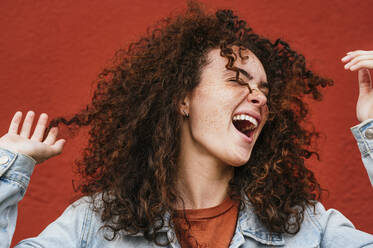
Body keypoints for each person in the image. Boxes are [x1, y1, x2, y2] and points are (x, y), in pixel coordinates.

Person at [0, 3, 373, 247]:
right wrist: (8, 167)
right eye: (237, 80)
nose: (259, 97)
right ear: (183, 98)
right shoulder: (93, 225)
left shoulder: (308, 228)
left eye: (263, 89)